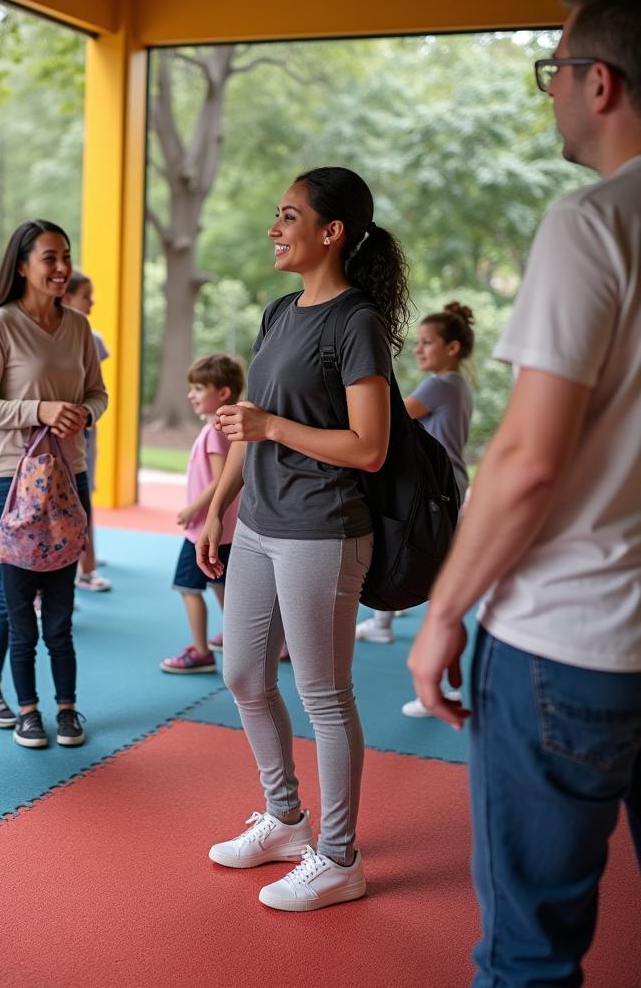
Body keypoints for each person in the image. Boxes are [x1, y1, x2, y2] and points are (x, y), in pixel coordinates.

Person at [408, 0, 641, 984]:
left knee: (527, 951)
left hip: (572, 638)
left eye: (554, 67)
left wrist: (441, 612)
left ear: (600, 84)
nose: (548, 88)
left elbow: (529, 458)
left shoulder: (592, 223)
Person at [198, 166, 407, 912]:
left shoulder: (356, 322)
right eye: (275, 215)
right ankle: (286, 819)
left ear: (331, 232)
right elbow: (248, 421)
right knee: (245, 677)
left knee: (324, 695)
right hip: (257, 522)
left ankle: (341, 857)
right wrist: (219, 507)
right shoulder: (280, 310)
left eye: (288, 216)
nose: (273, 228)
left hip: (322, 530)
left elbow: (370, 446)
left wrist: (272, 428)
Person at [0, 220, 108, 749]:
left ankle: (54, 704)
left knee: (57, 604)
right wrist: (40, 409)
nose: (61, 267)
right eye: (50, 257)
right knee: (15, 592)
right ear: (22, 265)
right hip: (14, 478)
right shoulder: (0, 325)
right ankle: (0, 692)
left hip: (70, 477)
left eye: (65, 256)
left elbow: (98, 393)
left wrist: (84, 417)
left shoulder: (77, 327)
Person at [356, 303, 476, 717]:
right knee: (411, 554)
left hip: (435, 493)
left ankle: (442, 685)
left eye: (428, 343)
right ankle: (382, 623)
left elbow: (394, 419)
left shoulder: (438, 386)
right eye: (418, 342)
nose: (419, 350)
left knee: (434, 575)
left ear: (453, 348)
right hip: (447, 487)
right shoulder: (458, 385)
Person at [159, 353, 245, 674]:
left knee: (188, 587)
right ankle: (239, 638)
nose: (190, 395)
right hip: (226, 529)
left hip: (203, 530)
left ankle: (200, 652)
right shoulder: (223, 427)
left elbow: (222, 479)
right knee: (222, 583)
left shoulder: (215, 433)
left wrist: (193, 509)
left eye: (198, 388)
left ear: (222, 393)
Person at [61, 270, 112, 593]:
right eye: (86, 296)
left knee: (81, 499)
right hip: (55, 434)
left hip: (81, 430)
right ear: (67, 298)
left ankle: (86, 566)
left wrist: (86, 414)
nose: (91, 302)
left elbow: (96, 389)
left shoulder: (90, 338)